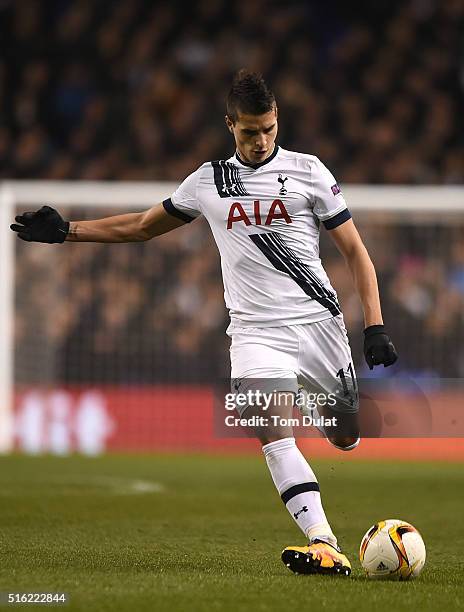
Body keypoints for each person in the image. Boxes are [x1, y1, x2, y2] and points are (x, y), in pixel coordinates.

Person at [11, 70, 397, 576]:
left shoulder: (308, 172)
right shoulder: (208, 181)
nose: (260, 142)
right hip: (255, 332)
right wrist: (69, 231)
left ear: (277, 119)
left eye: (267, 129)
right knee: (269, 427)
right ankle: (323, 541)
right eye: (248, 132)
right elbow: (145, 227)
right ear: (228, 125)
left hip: (317, 326)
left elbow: (356, 252)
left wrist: (375, 326)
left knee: (346, 437)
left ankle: (321, 412)